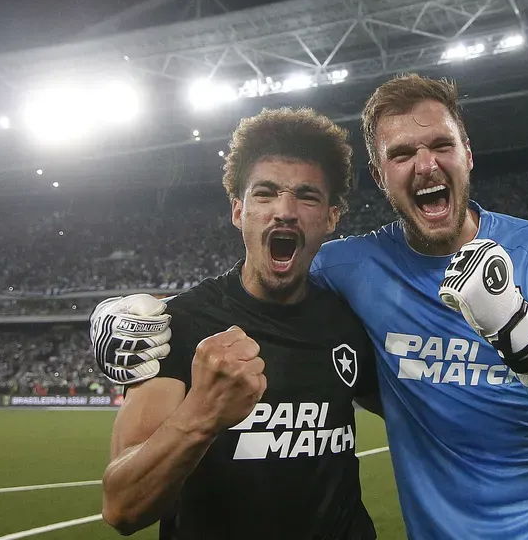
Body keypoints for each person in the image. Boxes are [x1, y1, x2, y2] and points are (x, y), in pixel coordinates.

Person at [93, 74, 528, 539]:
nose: (426, 164)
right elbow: (121, 507)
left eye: (441, 145)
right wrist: (131, 310)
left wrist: (514, 326)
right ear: (379, 174)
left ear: (468, 156)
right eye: (401, 154)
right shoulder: (344, 272)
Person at [96, 108, 379, 539]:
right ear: (238, 211)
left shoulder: (350, 320)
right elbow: (122, 507)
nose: (285, 211)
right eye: (265, 194)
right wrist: (202, 415)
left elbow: (423, 410)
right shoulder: (183, 324)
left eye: (307, 196)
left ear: (331, 217)